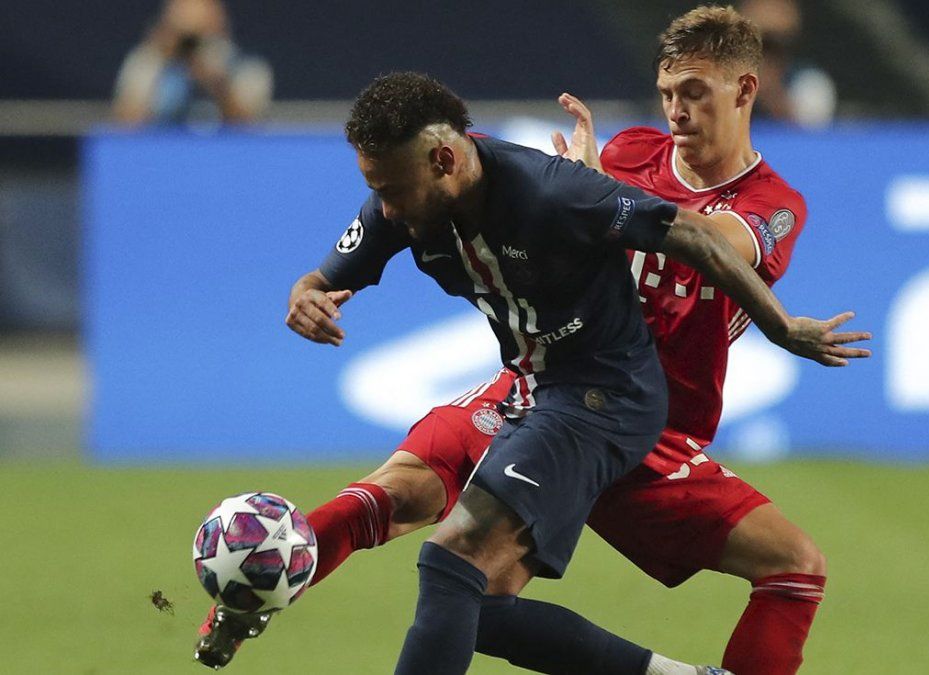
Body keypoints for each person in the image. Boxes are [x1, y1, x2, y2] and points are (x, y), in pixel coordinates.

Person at [195, 9, 871, 675]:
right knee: (408, 513)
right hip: (539, 383)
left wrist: (592, 189)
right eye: (668, 92)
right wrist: (318, 281)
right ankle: (246, 590)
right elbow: (425, 194)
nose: (676, 111)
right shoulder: (630, 153)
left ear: (745, 91)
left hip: (644, 422)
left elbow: (711, 245)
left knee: (794, 565)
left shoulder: (770, 202)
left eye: (694, 93)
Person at [112, 0, 272, 126]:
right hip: (161, 159)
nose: (192, 45)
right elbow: (125, 129)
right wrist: (162, 60)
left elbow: (250, 131)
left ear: (219, 24)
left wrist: (215, 81)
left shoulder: (246, 69)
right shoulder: (146, 63)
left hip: (227, 161)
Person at [737, 0, 835, 128]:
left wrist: (772, 93)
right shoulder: (725, 80)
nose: (765, 59)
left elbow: (812, 132)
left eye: (772, 47)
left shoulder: (809, 82)